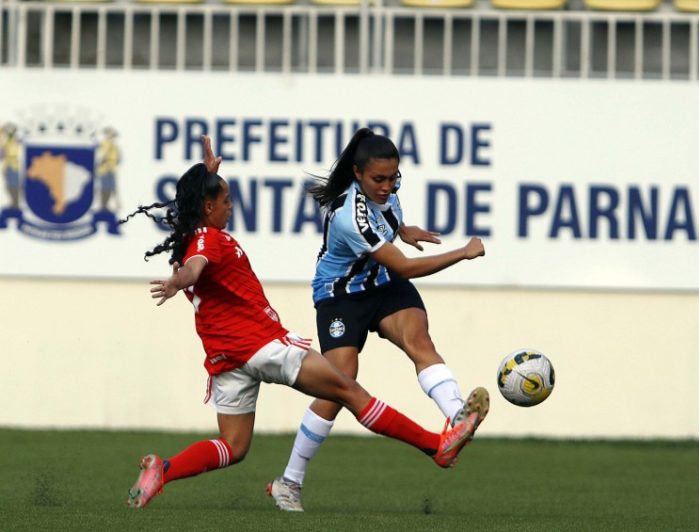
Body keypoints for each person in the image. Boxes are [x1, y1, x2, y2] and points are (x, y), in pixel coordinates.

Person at [121, 136, 484, 509]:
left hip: (225, 359)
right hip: (261, 346)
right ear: (208, 206)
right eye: (225, 201)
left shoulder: (192, 236)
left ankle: (164, 469)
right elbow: (195, 268)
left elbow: (198, 243)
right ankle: (436, 446)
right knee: (348, 390)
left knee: (234, 446)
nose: (231, 207)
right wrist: (178, 281)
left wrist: (209, 175)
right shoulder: (207, 240)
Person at [268, 128, 490, 512]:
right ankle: (288, 482)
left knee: (420, 343)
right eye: (379, 179)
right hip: (341, 294)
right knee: (339, 384)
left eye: (393, 177)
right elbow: (403, 266)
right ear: (357, 174)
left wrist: (405, 229)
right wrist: (463, 253)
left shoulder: (385, 194)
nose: (388, 186)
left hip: (380, 283)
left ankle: (457, 418)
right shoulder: (347, 217)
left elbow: (387, 218)